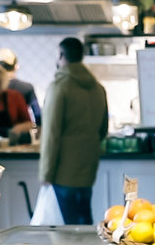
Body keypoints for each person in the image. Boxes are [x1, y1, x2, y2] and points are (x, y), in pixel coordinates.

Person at [39, 37, 108, 225]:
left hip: (63, 170)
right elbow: (103, 130)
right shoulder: (98, 89)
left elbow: (51, 135)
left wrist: (45, 173)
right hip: (88, 168)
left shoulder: (59, 87)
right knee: (84, 220)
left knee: (67, 227)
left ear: (61, 55)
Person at [0, 48, 41, 126]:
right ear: (16, 66)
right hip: (21, 132)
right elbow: (37, 113)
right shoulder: (27, 88)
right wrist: (39, 128)